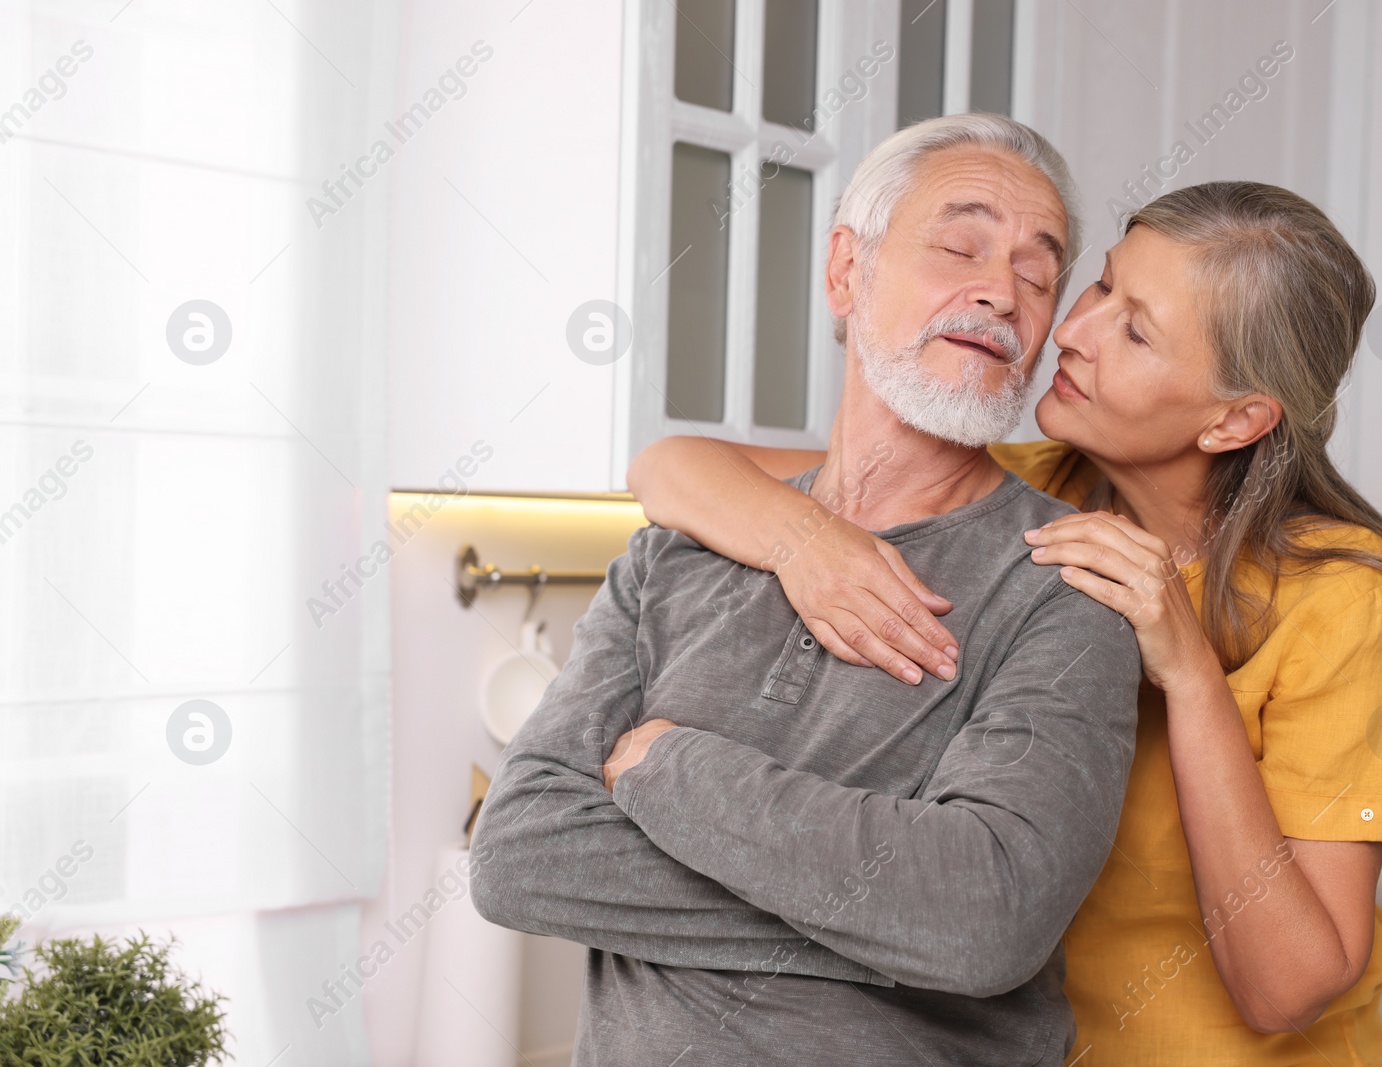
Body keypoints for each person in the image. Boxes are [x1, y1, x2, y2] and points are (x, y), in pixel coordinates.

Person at [629, 180, 1382, 1066]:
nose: (1073, 332)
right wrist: (807, 543)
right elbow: (672, 467)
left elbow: (1287, 987)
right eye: (1101, 287)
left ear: (1235, 418)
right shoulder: (1028, 486)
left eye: (1135, 331)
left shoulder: (1347, 598)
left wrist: (1193, 677)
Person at [471, 114, 1144, 1066]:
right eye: (960, 245)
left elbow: (984, 917)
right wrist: (886, 928)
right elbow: (521, 856)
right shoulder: (677, 553)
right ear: (846, 271)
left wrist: (667, 768)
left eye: (1040, 274)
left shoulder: (1068, 586)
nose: (1001, 292)